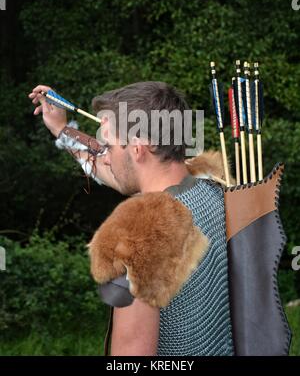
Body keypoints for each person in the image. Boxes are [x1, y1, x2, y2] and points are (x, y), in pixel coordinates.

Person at [29, 81, 234, 356]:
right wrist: (61, 129)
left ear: (137, 147)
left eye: (109, 144)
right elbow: (108, 164)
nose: (106, 155)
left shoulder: (140, 234)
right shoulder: (214, 188)